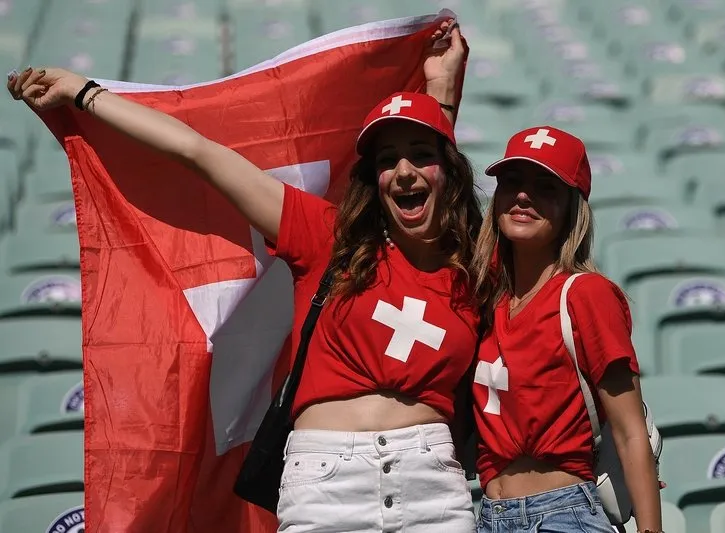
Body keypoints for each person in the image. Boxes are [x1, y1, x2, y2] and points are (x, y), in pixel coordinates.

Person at [8, 22, 484, 532]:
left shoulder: (478, 267)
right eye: (387, 161)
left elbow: (440, 165)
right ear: (374, 180)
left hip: (432, 489)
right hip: (326, 486)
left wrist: (442, 86)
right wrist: (84, 93)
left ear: (448, 171)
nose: (405, 172)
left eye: (421, 158)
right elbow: (199, 153)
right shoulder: (327, 237)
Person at [469, 127, 663, 533]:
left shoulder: (587, 294)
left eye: (545, 187)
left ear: (572, 209)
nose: (523, 196)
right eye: (513, 182)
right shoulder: (486, 300)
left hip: (562, 515)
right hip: (487, 516)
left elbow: (630, 432)